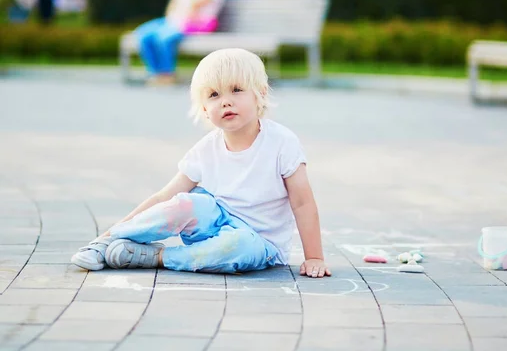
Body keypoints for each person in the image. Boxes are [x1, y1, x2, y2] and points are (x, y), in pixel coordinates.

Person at [71, 48, 332, 279]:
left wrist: (314, 257)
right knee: (186, 202)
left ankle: (157, 257)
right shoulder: (208, 147)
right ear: (205, 109)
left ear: (260, 94)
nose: (226, 101)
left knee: (239, 244)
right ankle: (107, 246)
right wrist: (107, 234)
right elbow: (165, 196)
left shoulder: (282, 142)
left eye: (237, 90)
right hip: (216, 225)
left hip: (260, 245)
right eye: (214, 95)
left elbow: (302, 203)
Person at [136, 0, 226, 85]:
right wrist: (171, 17)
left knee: (163, 38)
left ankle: (167, 74)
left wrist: (181, 13)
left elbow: (196, 6)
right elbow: (173, 3)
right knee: (143, 34)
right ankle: (155, 73)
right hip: (175, 21)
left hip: (197, 24)